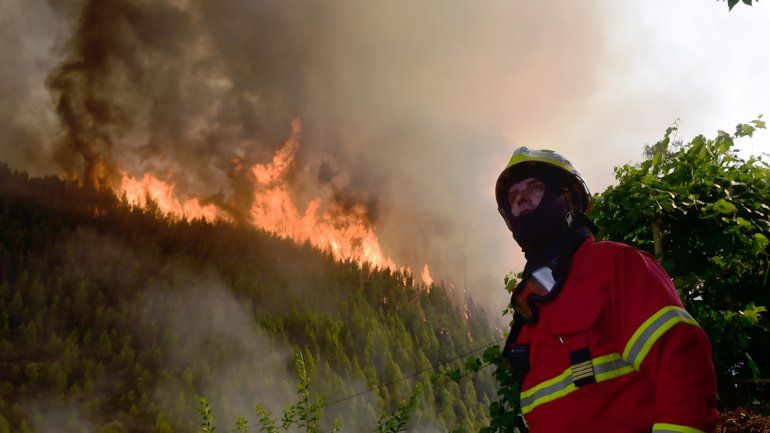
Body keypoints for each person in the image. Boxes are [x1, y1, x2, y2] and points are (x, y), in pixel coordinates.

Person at [495, 147, 718, 433]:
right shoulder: (533, 307)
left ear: (568, 198)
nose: (521, 200)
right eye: (513, 198)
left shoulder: (615, 265)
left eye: (534, 188)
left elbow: (683, 366)